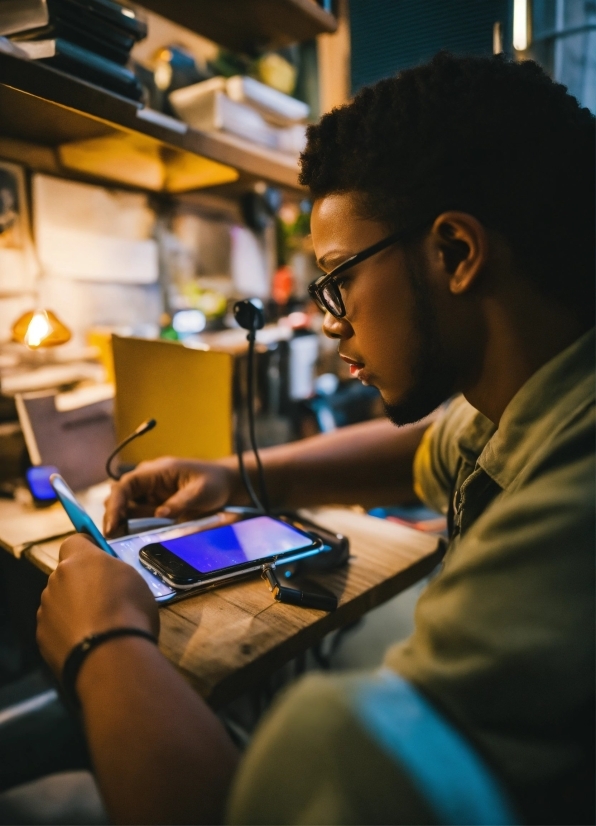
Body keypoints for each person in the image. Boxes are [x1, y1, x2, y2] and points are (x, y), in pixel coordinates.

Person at [34, 52, 594, 825]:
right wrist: (232, 475)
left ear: (456, 253)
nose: (331, 322)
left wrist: (103, 641)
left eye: (338, 279)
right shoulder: (538, 395)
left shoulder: (575, 508)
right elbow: (428, 451)